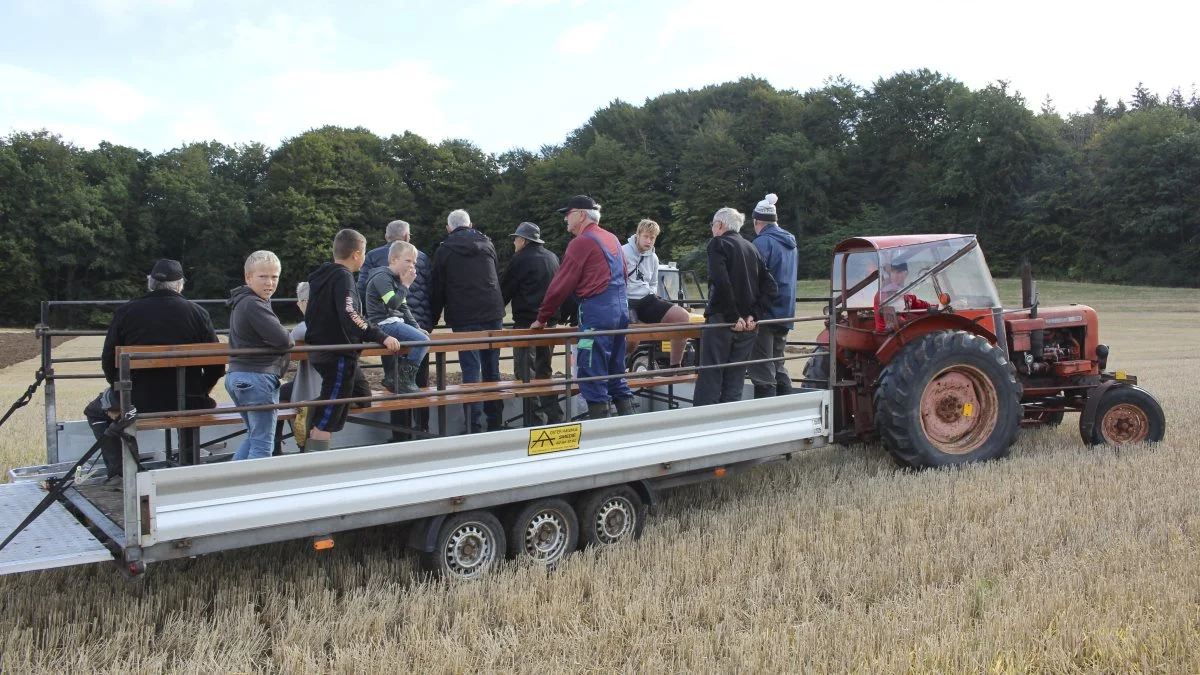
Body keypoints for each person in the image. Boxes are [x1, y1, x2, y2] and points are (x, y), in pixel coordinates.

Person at [89, 258, 224, 476]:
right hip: (189, 400)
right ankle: (188, 465)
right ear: (180, 284)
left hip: (137, 401)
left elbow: (108, 361)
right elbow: (216, 366)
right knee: (189, 406)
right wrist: (202, 389)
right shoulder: (198, 313)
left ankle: (122, 473)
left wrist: (120, 392)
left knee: (94, 411)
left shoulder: (126, 311)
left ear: (151, 283)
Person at [532, 195, 635, 419]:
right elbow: (624, 275)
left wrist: (542, 318)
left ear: (580, 215)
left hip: (596, 317)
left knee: (591, 373)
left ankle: (601, 431)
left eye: (567, 214)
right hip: (620, 313)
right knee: (616, 372)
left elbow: (560, 285)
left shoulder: (581, 242)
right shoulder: (612, 238)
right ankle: (630, 427)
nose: (565, 219)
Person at [303, 229, 403, 452]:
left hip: (327, 351)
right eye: (364, 253)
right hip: (337, 355)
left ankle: (312, 408)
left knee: (362, 396)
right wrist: (381, 336)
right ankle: (316, 458)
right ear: (356, 254)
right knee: (329, 415)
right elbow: (350, 315)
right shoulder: (342, 277)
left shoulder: (323, 277)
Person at [429, 209, 506, 432]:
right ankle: (495, 421)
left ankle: (473, 424)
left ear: (448, 228)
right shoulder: (488, 244)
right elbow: (495, 274)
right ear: (470, 224)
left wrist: (431, 321)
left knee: (471, 370)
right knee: (492, 368)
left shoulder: (444, 250)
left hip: (464, 315)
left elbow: (438, 288)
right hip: (492, 311)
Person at [693, 207, 777, 407]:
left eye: (712, 225)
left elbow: (721, 281)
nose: (712, 229)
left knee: (711, 376)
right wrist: (754, 314)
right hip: (748, 325)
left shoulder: (718, 243)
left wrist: (733, 316)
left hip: (723, 321)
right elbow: (771, 286)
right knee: (735, 378)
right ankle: (730, 420)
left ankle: (704, 422)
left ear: (720, 225)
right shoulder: (751, 247)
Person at [281, 281, 373, 450]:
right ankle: (308, 412)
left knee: (356, 395)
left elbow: (295, 335)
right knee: (280, 395)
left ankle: (278, 445)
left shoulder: (310, 325)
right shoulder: (332, 319)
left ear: (304, 302)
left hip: (339, 377)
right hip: (343, 375)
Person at [225, 251, 294, 460]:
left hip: (239, 375)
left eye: (274, 277)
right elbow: (284, 340)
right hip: (257, 377)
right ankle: (254, 483)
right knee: (263, 445)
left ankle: (230, 480)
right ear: (248, 277)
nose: (269, 283)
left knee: (254, 438)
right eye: (263, 277)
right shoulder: (253, 304)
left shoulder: (244, 301)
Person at [501, 221, 565, 426]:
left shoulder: (520, 259)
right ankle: (555, 419)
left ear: (524, 240)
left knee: (525, 375)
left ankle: (535, 422)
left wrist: (496, 312)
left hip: (526, 325)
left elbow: (506, 290)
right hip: (549, 324)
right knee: (544, 372)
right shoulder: (552, 257)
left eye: (515, 239)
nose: (514, 242)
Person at [746, 194, 799, 398]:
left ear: (757, 221)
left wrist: (750, 310)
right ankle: (788, 405)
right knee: (777, 363)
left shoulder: (762, 243)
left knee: (761, 366)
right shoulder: (790, 243)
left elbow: (754, 279)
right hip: (785, 312)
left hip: (765, 312)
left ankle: (766, 410)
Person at [622, 218, 693, 368]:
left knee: (682, 317)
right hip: (626, 300)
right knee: (633, 340)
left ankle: (675, 367)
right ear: (638, 235)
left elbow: (653, 283)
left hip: (646, 299)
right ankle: (612, 367)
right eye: (646, 236)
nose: (649, 241)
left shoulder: (653, 258)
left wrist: (653, 295)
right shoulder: (622, 252)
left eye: (652, 238)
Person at [364, 240, 430, 395]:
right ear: (394, 259)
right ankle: (403, 379)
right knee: (423, 341)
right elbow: (393, 304)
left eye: (414, 262)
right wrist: (405, 285)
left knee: (421, 337)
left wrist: (416, 327)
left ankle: (394, 377)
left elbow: (403, 308)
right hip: (383, 324)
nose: (411, 266)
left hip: (393, 322)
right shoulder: (382, 277)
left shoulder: (395, 279)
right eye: (408, 261)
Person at [873, 260, 931, 332]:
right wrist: (923, 322)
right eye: (893, 272)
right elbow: (895, 321)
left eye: (899, 272)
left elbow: (918, 304)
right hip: (888, 335)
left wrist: (933, 307)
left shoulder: (904, 292)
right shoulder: (884, 295)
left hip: (902, 331)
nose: (895, 275)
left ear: (906, 274)